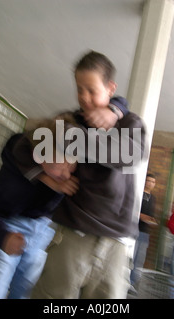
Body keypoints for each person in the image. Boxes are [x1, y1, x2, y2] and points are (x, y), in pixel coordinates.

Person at [31, 50, 146, 299]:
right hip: (74, 232)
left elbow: (127, 156)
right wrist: (46, 176)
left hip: (115, 241)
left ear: (110, 88)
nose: (84, 97)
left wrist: (115, 112)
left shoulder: (130, 122)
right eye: (79, 89)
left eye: (91, 90)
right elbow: (26, 144)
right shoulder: (71, 120)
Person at [0, 118, 79, 299]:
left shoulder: (64, 157)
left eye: (71, 165)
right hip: (7, 227)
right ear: (38, 160)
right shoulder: (11, 182)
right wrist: (2, 237)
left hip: (42, 231)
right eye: (58, 167)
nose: (67, 174)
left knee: (27, 291)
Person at [129, 173, 158, 291]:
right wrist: (140, 216)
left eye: (153, 182)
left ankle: (133, 283)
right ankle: (125, 281)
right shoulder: (138, 193)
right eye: (148, 180)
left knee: (139, 260)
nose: (150, 183)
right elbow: (132, 209)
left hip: (145, 232)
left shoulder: (153, 198)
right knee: (131, 257)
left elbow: (150, 214)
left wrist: (152, 220)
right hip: (134, 229)